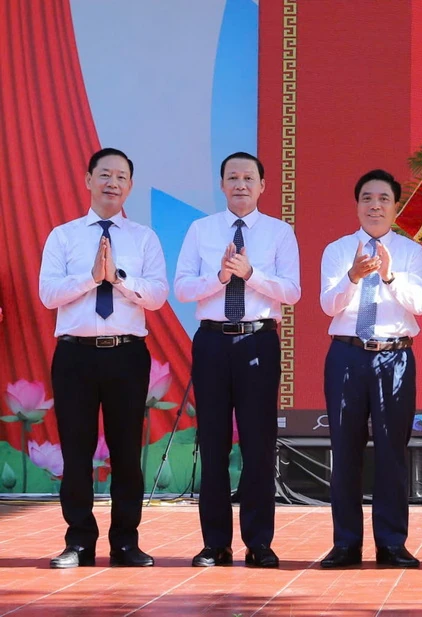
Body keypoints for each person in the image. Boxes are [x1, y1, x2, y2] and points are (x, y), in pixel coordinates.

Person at [39, 148, 168, 568]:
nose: (113, 182)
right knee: (76, 452)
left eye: (121, 177)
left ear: (130, 185)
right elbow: (49, 294)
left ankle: (125, 542)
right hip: (75, 356)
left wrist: (119, 278)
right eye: (105, 174)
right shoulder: (64, 235)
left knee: (126, 452)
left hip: (126, 356)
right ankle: (78, 541)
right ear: (88, 179)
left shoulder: (143, 238)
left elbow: (158, 294)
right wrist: (90, 278)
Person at [174, 152, 301, 568]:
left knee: (258, 446)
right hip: (211, 342)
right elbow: (182, 289)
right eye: (233, 177)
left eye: (249, 177)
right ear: (222, 184)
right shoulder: (201, 230)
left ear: (263, 185)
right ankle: (215, 544)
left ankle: (259, 543)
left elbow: (292, 292)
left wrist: (250, 274)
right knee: (212, 445)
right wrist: (220, 278)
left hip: (257, 341)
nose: (241, 184)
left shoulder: (280, 233)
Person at [319, 169, 422, 569]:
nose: (375, 205)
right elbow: (329, 305)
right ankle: (346, 544)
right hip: (347, 355)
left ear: (395, 206)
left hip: (394, 356)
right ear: (357, 205)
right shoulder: (337, 250)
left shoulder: (410, 252)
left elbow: (419, 304)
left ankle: (391, 543)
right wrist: (353, 276)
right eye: (367, 198)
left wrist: (387, 274)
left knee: (391, 453)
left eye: (383, 198)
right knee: (344, 452)